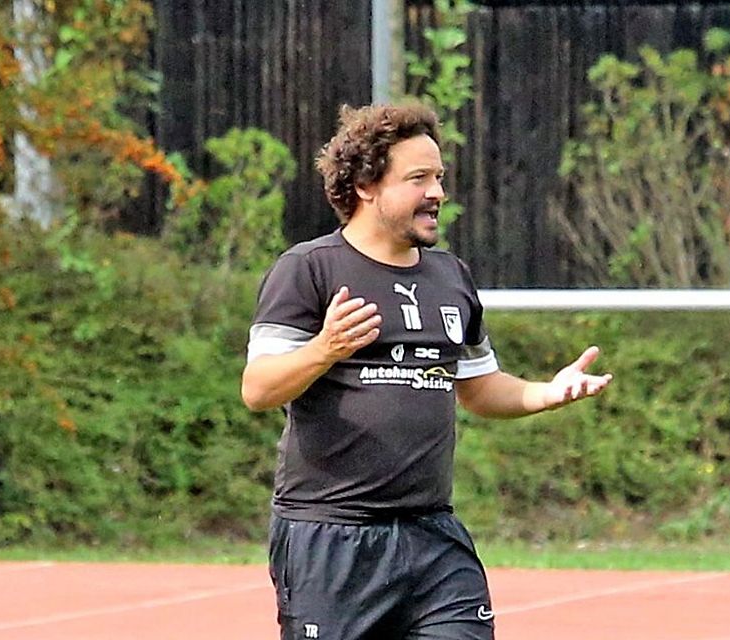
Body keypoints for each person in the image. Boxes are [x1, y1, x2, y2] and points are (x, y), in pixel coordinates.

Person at [241, 102, 613, 640]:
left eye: (439, 177)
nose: (436, 192)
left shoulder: (450, 276)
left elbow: (480, 387)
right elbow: (258, 388)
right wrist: (324, 349)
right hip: (332, 538)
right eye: (418, 178)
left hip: (432, 537)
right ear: (367, 185)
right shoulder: (309, 269)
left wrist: (545, 392)